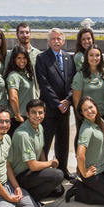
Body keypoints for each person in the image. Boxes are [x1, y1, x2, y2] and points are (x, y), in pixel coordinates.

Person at [35, 28, 77, 181]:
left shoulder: (68, 58)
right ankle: (43, 172)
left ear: (63, 40)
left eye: (59, 39)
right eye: (53, 39)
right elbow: (44, 84)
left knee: (63, 141)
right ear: (48, 41)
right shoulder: (42, 58)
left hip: (65, 108)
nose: (56, 41)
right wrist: (57, 103)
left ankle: (63, 169)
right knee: (45, 142)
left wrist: (68, 100)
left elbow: (74, 82)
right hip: (50, 109)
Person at [9, 100, 65, 202]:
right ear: (27, 114)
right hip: (21, 176)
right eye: (33, 112)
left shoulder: (39, 127)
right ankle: (30, 198)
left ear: (44, 114)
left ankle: (34, 191)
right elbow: (33, 166)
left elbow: (41, 149)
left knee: (59, 190)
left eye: (40, 112)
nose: (37, 116)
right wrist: (51, 163)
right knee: (58, 175)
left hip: (31, 172)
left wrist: (46, 167)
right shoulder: (23, 135)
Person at [72, 44, 104, 128]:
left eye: (97, 55)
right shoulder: (80, 75)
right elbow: (76, 100)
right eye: (91, 55)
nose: (94, 58)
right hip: (88, 116)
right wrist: (81, 117)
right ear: (86, 57)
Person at [3, 45, 35, 133]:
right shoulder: (14, 76)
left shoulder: (25, 73)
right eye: (19, 58)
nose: (22, 61)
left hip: (25, 116)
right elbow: (13, 98)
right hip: (17, 118)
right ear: (14, 59)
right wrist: (18, 116)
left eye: (24, 58)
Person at [5, 23, 41, 99]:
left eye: (27, 32)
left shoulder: (37, 53)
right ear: (16, 34)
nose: (25, 35)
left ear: (30, 34)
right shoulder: (11, 54)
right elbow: (6, 77)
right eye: (21, 32)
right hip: (19, 101)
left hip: (36, 98)